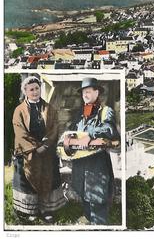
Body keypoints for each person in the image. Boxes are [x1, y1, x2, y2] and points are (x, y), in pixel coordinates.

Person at [12, 76, 66, 223]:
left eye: (37, 88)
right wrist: (36, 148)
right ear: (25, 91)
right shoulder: (19, 110)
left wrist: (46, 145)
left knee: (47, 179)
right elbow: (20, 132)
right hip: (27, 153)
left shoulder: (49, 108)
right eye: (31, 89)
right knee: (29, 182)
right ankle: (32, 210)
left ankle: (46, 209)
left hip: (46, 153)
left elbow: (55, 128)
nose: (35, 92)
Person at [70, 77, 120, 225]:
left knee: (97, 194)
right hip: (81, 160)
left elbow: (109, 129)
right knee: (83, 190)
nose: (85, 95)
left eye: (89, 91)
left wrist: (90, 134)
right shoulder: (79, 114)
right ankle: (87, 216)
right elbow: (72, 131)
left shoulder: (105, 111)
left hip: (97, 162)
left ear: (97, 92)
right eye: (84, 92)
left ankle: (99, 224)